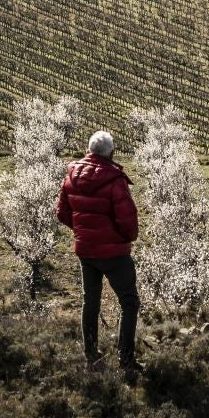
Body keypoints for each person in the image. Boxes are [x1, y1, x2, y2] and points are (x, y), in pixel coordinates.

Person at [55, 129, 141, 375]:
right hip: (114, 253)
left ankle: (91, 355)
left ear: (89, 150)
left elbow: (62, 212)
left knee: (89, 301)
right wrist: (124, 238)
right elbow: (128, 220)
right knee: (129, 302)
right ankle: (125, 360)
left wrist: (83, 231)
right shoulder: (115, 180)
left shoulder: (71, 176)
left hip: (86, 251)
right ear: (110, 152)